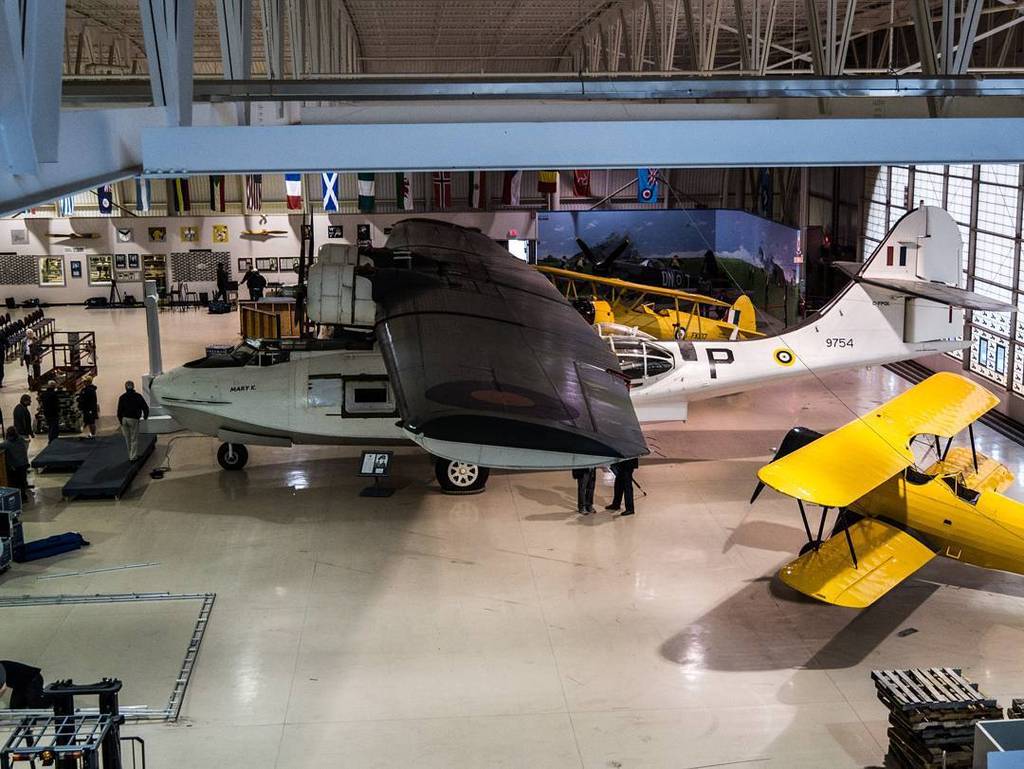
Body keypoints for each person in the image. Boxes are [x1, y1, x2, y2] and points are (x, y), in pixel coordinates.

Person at [116, 380, 149, 461]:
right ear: (133, 387)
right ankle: (133, 457)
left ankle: (130, 454)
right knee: (134, 438)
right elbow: (145, 407)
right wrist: (145, 416)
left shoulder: (122, 397)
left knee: (127, 438)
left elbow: (119, 410)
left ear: (125, 387)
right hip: (133, 419)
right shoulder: (138, 396)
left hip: (124, 419)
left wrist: (120, 420)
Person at [0, 427, 30, 502]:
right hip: (24, 464)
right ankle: (24, 496)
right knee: (22, 481)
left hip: (15, 467)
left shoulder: (6, 444)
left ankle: (17, 498)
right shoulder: (20, 439)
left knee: (15, 482)